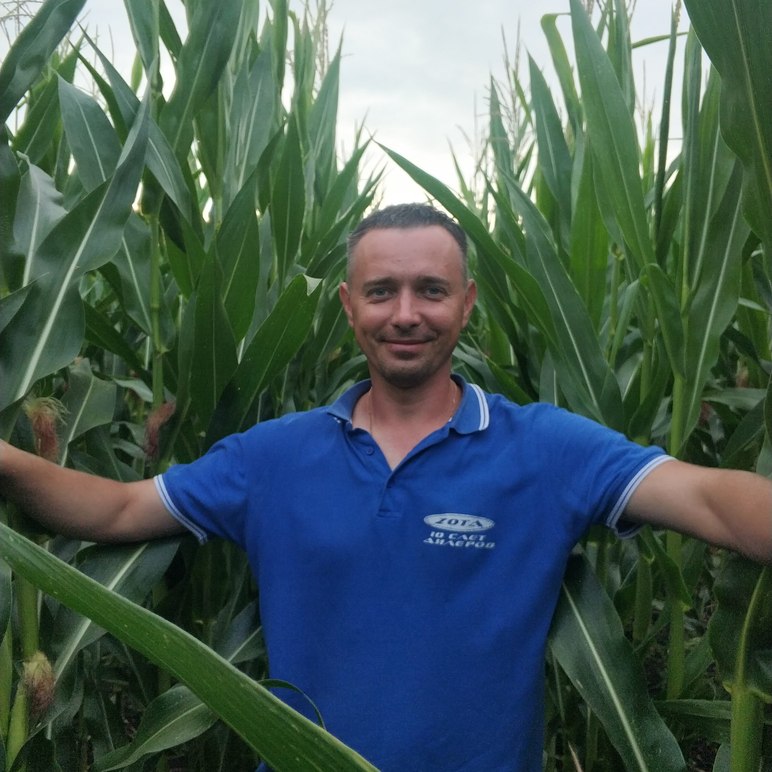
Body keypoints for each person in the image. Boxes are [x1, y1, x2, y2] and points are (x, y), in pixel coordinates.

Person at [1, 202, 771, 770]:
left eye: (431, 290)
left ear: (467, 303)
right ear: (348, 306)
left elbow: (708, 498)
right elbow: (118, 508)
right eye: (381, 292)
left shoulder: (546, 450)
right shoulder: (272, 458)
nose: (406, 314)